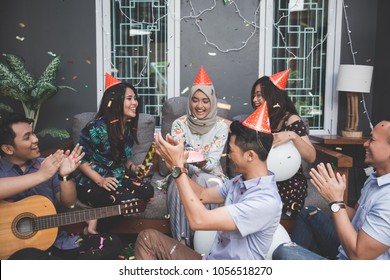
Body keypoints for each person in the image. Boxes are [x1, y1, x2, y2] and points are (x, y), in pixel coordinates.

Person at [134, 102, 282, 260]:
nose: (229, 156)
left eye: (231, 151)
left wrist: (178, 169)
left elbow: (199, 220)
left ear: (250, 156)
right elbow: (203, 194)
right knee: (147, 239)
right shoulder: (240, 181)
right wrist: (174, 165)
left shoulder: (265, 201)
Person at [0, 112, 122, 259]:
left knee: (111, 243)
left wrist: (65, 175)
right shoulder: (43, 170)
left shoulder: (45, 164)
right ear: (8, 149)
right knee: (30, 256)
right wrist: (40, 175)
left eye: (33, 134)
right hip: (16, 252)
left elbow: (68, 203)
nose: (36, 139)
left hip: (54, 242)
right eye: (27, 137)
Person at [273, 119, 390, 260]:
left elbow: (359, 256)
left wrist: (336, 202)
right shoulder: (375, 179)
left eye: (372, 140)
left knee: (284, 252)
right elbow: (355, 216)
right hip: (346, 249)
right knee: (308, 212)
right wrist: (332, 195)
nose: (365, 143)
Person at [161, 66, 229, 245]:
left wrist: (189, 158)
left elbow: (212, 162)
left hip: (210, 174)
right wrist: (185, 161)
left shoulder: (221, 127)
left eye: (205, 101)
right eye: (195, 100)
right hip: (182, 171)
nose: (200, 106)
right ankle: (182, 242)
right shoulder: (179, 124)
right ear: (190, 101)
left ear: (212, 102)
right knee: (179, 183)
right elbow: (178, 161)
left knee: (205, 180)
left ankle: (208, 243)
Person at [75, 74, 154, 218]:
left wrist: (134, 168)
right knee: (123, 202)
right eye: (129, 99)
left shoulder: (128, 127)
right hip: (92, 182)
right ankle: (97, 229)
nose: (135, 103)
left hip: (117, 179)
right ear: (115, 101)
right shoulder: (96, 128)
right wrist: (100, 180)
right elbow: (79, 159)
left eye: (135, 98)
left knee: (147, 190)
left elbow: (121, 159)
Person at [250, 69, 316, 217]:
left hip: (288, 182)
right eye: (254, 95)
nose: (254, 100)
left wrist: (292, 135)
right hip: (262, 178)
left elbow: (311, 157)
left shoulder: (290, 120)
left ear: (272, 95)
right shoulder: (258, 120)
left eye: (259, 95)